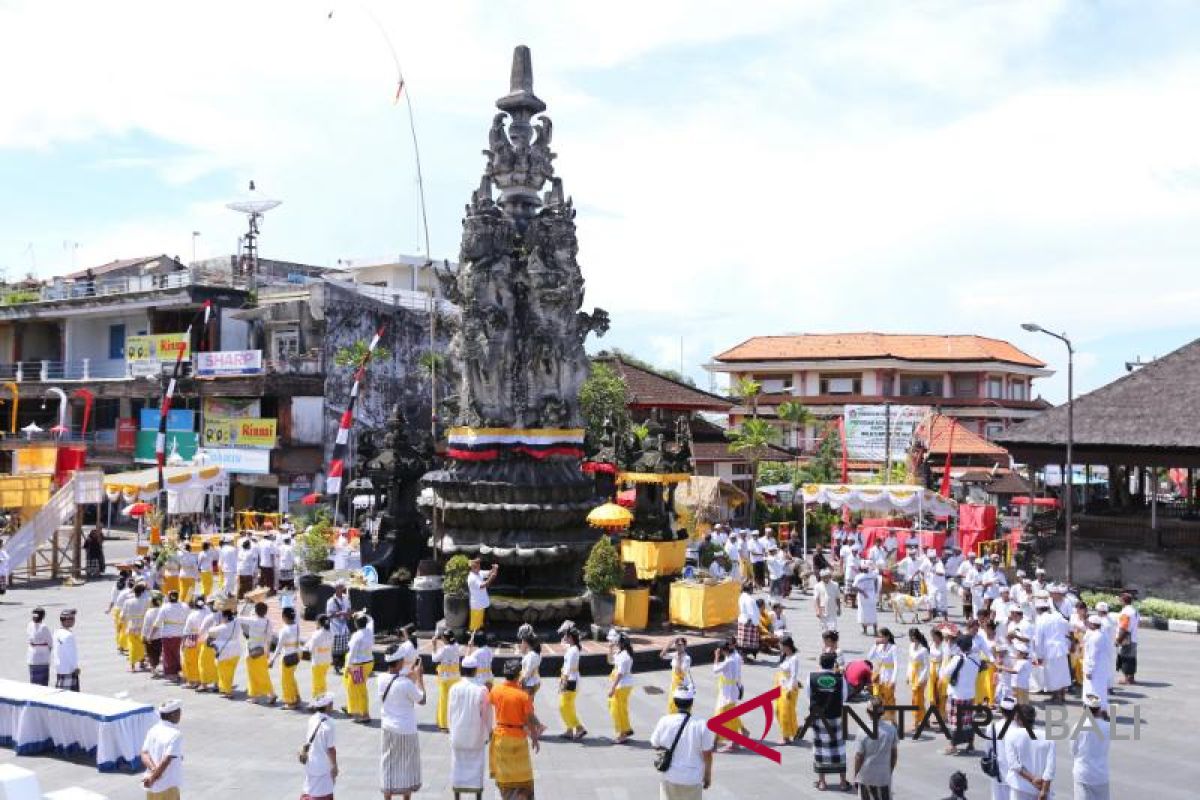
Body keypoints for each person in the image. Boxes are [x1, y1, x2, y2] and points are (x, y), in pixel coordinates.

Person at [489, 659, 545, 800]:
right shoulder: (523, 696)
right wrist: (534, 737)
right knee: (523, 780)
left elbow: (489, 702)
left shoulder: (496, 690)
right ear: (518, 675)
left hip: (501, 738)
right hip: (518, 739)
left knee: (505, 781)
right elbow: (529, 718)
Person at [650, 684, 716, 800]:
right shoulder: (701, 724)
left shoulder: (664, 720)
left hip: (670, 776)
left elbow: (655, 744)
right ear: (691, 703)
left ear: (675, 702)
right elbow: (708, 754)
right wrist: (707, 776)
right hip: (692, 778)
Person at [378, 643, 426, 799]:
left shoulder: (381, 679)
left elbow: (396, 679)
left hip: (388, 728)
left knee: (388, 763)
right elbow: (422, 699)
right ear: (398, 662)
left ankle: (387, 796)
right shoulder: (406, 684)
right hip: (406, 729)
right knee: (407, 766)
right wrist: (419, 677)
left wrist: (409, 675)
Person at [449, 653, 493, 796]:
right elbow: (487, 714)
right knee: (477, 766)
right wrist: (489, 731)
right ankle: (477, 796)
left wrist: (452, 730)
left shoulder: (454, 688)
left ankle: (457, 796)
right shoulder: (481, 689)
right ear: (475, 670)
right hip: (476, 734)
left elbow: (450, 712)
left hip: (458, 733)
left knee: (458, 765)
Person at [808, 652, 851, 792]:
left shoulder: (811, 677)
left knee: (820, 748)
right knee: (839, 748)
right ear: (834, 664)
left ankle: (822, 782)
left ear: (820, 663)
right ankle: (843, 782)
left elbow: (809, 695)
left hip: (818, 716)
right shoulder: (840, 678)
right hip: (836, 716)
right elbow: (844, 697)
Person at [1004, 704, 1055, 799]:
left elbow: (1014, 765)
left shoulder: (1011, 735)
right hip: (1041, 790)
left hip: (1020, 788)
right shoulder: (1047, 736)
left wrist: (1033, 779)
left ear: (1017, 718)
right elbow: (1050, 768)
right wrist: (1044, 790)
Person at [941, 634, 981, 755]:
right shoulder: (976, 658)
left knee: (955, 721)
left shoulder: (958, 659)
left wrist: (947, 654)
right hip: (970, 694)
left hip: (957, 693)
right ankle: (970, 743)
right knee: (968, 721)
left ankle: (953, 745)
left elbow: (945, 673)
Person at [852, 696, 897, 799]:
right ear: (883, 712)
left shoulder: (862, 731)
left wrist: (855, 775)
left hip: (866, 776)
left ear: (868, 712)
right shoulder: (891, 730)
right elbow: (894, 755)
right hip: (883, 776)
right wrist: (889, 770)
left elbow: (858, 757)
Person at [141, 699, 184, 800]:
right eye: (179, 712)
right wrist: (153, 777)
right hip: (167, 785)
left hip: (152, 786)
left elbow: (144, 753)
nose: (180, 715)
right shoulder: (175, 734)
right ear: (173, 715)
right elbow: (166, 760)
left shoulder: (153, 729)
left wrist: (153, 771)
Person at [1071, 694, 1110, 800]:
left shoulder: (1078, 726)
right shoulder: (1108, 727)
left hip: (1083, 773)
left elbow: (1073, 750)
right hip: (1101, 774)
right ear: (1099, 709)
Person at [238, 600, 277, 705]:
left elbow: (239, 618)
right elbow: (269, 638)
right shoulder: (268, 622)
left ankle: (255, 696)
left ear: (255, 611)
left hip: (251, 650)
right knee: (263, 673)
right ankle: (271, 693)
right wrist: (268, 651)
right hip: (262, 650)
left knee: (252, 674)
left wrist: (245, 604)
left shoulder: (253, 620)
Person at [1033, 598, 1071, 704]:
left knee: (1053, 674)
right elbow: (1067, 626)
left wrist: (1039, 655)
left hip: (1050, 650)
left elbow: (1038, 639)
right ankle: (1061, 696)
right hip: (1061, 648)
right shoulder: (1057, 616)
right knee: (1062, 673)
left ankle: (1057, 697)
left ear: (1038, 609)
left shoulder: (1040, 619)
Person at [302, 693, 338, 800]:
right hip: (323, 765)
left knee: (310, 790)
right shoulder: (330, 723)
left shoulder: (312, 719)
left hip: (311, 761)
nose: (332, 705)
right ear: (327, 706)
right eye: (331, 703)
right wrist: (334, 766)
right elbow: (331, 748)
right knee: (323, 793)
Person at [984, 696, 1019, 800]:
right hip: (1016, 775)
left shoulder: (992, 727)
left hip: (998, 772)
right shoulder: (1019, 729)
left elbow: (987, 749)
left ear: (1001, 710)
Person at [711, 639, 744, 752]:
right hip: (729, 690)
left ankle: (715, 743)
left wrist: (716, 656)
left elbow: (715, 670)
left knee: (719, 717)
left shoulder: (730, 661)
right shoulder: (734, 657)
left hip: (728, 692)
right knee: (731, 717)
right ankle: (735, 741)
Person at [343, 613, 375, 722]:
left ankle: (363, 714)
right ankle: (355, 709)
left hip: (358, 666)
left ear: (356, 624)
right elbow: (371, 620)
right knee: (358, 687)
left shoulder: (356, 636)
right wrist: (363, 614)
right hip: (369, 663)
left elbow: (352, 653)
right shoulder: (369, 631)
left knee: (358, 689)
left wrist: (347, 667)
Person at [272, 606, 303, 709]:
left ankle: (290, 702)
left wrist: (272, 660)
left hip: (287, 657)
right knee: (291, 677)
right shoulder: (297, 626)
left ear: (284, 617)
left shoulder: (284, 630)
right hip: (297, 654)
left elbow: (279, 648)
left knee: (286, 680)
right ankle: (297, 696)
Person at [607, 633, 636, 743]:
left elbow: (620, 673)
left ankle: (622, 734)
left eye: (615, 641)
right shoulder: (621, 653)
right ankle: (625, 729)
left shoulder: (625, 656)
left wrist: (612, 688)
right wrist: (610, 649)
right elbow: (610, 661)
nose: (614, 642)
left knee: (617, 710)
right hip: (622, 685)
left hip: (622, 686)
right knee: (620, 709)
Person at [434, 629, 463, 731]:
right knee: (454, 701)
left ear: (444, 639)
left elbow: (434, 659)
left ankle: (444, 725)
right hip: (455, 677)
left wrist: (434, 646)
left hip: (445, 678)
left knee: (444, 701)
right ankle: (455, 722)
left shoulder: (444, 649)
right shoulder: (457, 646)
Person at [559, 627, 586, 739]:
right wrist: (565, 631)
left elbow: (568, 668)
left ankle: (579, 728)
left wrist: (563, 683)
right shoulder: (573, 648)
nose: (564, 637)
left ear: (571, 638)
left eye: (566, 635)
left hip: (570, 680)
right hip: (572, 679)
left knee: (564, 706)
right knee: (568, 706)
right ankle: (569, 730)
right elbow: (562, 643)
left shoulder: (573, 651)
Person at [207, 607, 241, 697]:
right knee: (230, 672)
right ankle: (226, 689)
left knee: (223, 673)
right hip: (236, 650)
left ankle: (227, 691)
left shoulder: (221, 627)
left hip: (225, 652)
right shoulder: (236, 623)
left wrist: (216, 623)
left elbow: (210, 631)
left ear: (225, 617)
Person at [867, 628, 898, 723]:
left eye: (881, 636)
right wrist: (875, 645)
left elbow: (896, 664)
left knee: (889, 699)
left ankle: (892, 720)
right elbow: (869, 657)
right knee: (877, 698)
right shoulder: (878, 647)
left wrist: (893, 679)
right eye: (878, 636)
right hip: (878, 675)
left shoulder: (893, 648)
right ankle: (878, 718)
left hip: (888, 675)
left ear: (887, 637)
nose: (879, 638)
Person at [158, 590, 188, 683]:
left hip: (168, 634)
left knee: (168, 655)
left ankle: (172, 674)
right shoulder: (185, 606)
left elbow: (158, 621)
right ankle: (181, 671)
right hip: (181, 633)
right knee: (179, 654)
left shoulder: (165, 607)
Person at [775, 636, 801, 745]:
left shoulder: (794, 659)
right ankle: (794, 731)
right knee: (777, 710)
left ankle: (786, 736)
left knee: (785, 713)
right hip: (781, 687)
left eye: (780, 645)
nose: (779, 647)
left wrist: (790, 690)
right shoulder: (785, 656)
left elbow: (794, 675)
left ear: (786, 646)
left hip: (788, 689)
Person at [907, 628, 930, 735]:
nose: (911, 639)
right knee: (918, 699)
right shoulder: (911, 646)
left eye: (913, 636)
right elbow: (910, 661)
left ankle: (916, 721)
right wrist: (908, 674)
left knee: (916, 699)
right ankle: (925, 719)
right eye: (910, 636)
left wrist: (921, 679)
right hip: (913, 674)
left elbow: (926, 666)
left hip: (921, 676)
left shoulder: (923, 650)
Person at [661, 636, 693, 715]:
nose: (678, 646)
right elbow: (662, 655)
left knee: (679, 704)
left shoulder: (687, 658)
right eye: (677, 644)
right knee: (671, 704)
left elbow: (679, 672)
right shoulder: (675, 654)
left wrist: (679, 659)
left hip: (682, 684)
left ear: (685, 646)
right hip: (674, 684)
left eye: (680, 644)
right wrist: (670, 643)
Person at [306, 614, 334, 699]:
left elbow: (311, 649)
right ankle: (323, 699)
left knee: (316, 682)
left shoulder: (316, 634)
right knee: (322, 681)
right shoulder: (331, 633)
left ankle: (318, 701)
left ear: (318, 622)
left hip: (317, 662)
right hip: (327, 660)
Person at [326, 581, 352, 673]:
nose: (341, 589)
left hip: (344, 626)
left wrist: (348, 614)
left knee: (346, 646)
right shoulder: (331, 601)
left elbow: (349, 610)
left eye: (342, 587)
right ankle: (336, 666)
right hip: (335, 627)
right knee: (336, 648)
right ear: (336, 589)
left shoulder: (346, 598)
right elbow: (328, 615)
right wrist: (340, 613)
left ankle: (343, 665)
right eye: (339, 587)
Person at [467, 558, 498, 632]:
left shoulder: (479, 572)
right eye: (477, 564)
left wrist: (495, 568)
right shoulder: (471, 578)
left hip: (484, 604)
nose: (479, 565)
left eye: (479, 564)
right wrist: (492, 577)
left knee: (483, 626)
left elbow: (490, 573)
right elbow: (483, 585)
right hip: (477, 606)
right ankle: (473, 641)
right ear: (472, 566)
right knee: (475, 629)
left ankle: (482, 641)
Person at [52, 608, 80, 691]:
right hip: (69, 670)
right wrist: (75, 668)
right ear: (67, 621)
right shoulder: (68, 635)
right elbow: (71, 654)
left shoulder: (57, 632)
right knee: (70, 697)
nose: (74, 621)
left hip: (59, 668)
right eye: (72, 619)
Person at [180, 597, 205, 690]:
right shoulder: (208, 612)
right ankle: (200, 680)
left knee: (190, 660)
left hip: (192, 638)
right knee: (200, 660)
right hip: (203, 638)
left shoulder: (192, 615)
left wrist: (183, 642)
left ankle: (192, 681)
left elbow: (186, 630)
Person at [1116, 592, 1139, 685]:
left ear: (1123, 601)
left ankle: (1126, 678)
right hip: (1133, 636)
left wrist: (1118, 639)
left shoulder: (1126, 612)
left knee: (1125, 657)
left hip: (1126, 637)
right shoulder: (1134, 610)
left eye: (1120, 599)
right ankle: (1131, 677)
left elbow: (1124, 627)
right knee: (1132, 658)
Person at [854, 561, 882, 636]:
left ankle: (867, 630)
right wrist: (875, 590)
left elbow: (854, 586)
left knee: (864, 613)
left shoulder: (859, 576)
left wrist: (863, 592)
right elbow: (877, 575)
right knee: (871, 613)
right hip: (869, 595)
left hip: (864, 596)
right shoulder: (872, 574)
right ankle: (873, 630)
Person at [27, 607, 53, 685]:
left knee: (34, 682)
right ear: (43, 616)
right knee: (43, 683)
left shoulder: (29, 625)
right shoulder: (44, 627)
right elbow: (51, 642)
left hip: (32, 658)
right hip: (43, 658)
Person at [735, 583, 761, 660]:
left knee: (742, 641)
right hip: (748, 621)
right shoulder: (749, 599)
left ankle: (743, 656)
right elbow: (751, 612)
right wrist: (755, 622)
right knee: (747, 642)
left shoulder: (741, 597)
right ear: (749, 589)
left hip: (743, 619)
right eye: (752, 588)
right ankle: (743, 657)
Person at [518, 633, 542, 698]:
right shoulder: (537, 653)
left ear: (526, 643)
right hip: (535, 680)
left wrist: (520, 681)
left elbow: (528, 672)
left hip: (529, 683)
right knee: (530, 703)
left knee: (527, 704)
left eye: (522, 641)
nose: (521, 643)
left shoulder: (530, 656)